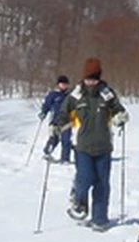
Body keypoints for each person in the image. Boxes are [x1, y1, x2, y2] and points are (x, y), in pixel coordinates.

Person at [50, 58, 128, 232]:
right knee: (85, 178)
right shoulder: (76, 95)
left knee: (102, 183)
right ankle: (78, 199)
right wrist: (56, 126)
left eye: (94, 78)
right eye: (88, 78)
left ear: (99, 78)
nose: (90, 82)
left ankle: (99, 219)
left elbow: (118, 110)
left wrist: (121, 117)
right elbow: (64, 113)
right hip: (82, 146)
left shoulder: (107, 94)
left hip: (104, 147)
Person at [38, 75, 72, 162]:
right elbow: (47, 105)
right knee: (54, 139)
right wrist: (43, 112)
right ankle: (47, 153)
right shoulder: (53, 94)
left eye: (65, 84)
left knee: (66, 140)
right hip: (55, 121)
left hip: (67, 121)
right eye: (62, 84)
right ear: (58, 84)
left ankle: (65, 159)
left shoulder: (70, 95)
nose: (64, 86)